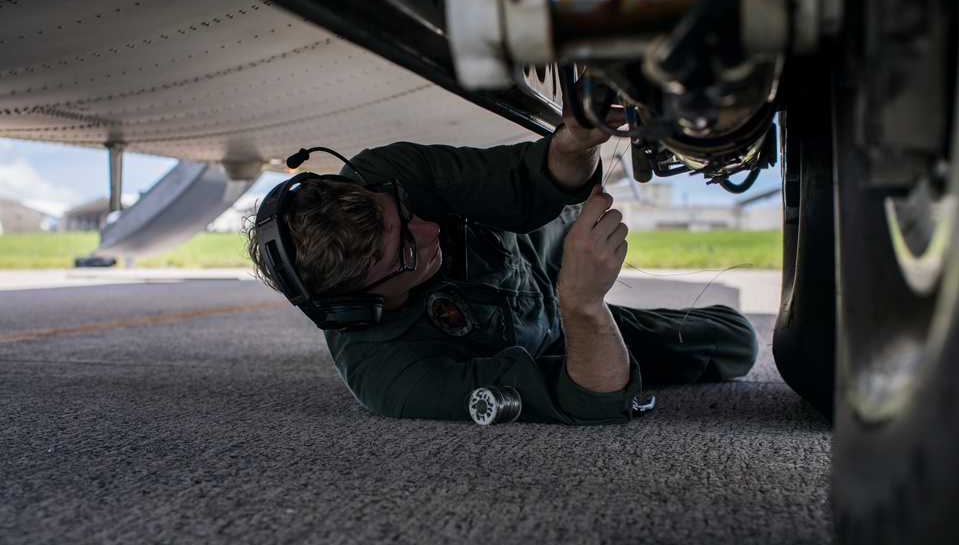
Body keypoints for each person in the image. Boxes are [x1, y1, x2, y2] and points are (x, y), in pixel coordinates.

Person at [246, 104, 757, 425]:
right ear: (364, 301)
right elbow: (589, 399)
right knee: (738, 343)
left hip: (536, 235)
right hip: (558, 333)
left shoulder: (381, 175)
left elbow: (531, 179)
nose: (428, 230)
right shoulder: (396, 379)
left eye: (403, 213)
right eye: (405, 251)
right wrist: (582, 304)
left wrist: (575, 140)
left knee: (733, 341)